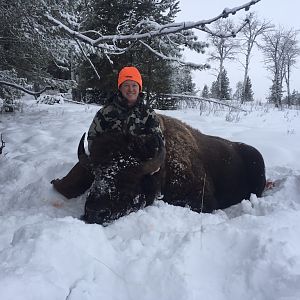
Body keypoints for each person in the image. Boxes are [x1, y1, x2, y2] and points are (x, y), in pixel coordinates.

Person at [51, 66, 165, 199]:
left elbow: (157, 138)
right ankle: (63, 189)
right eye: (126, 85)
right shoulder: (105, 112)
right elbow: (93, 135)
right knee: (71, 183)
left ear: (139, 88)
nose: (130, 89)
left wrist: (154, 161)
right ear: (120, 88)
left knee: (155, 184)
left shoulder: (149, 113)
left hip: (136, 160)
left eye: (134, 85)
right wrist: (98, 157)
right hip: (109, 159)